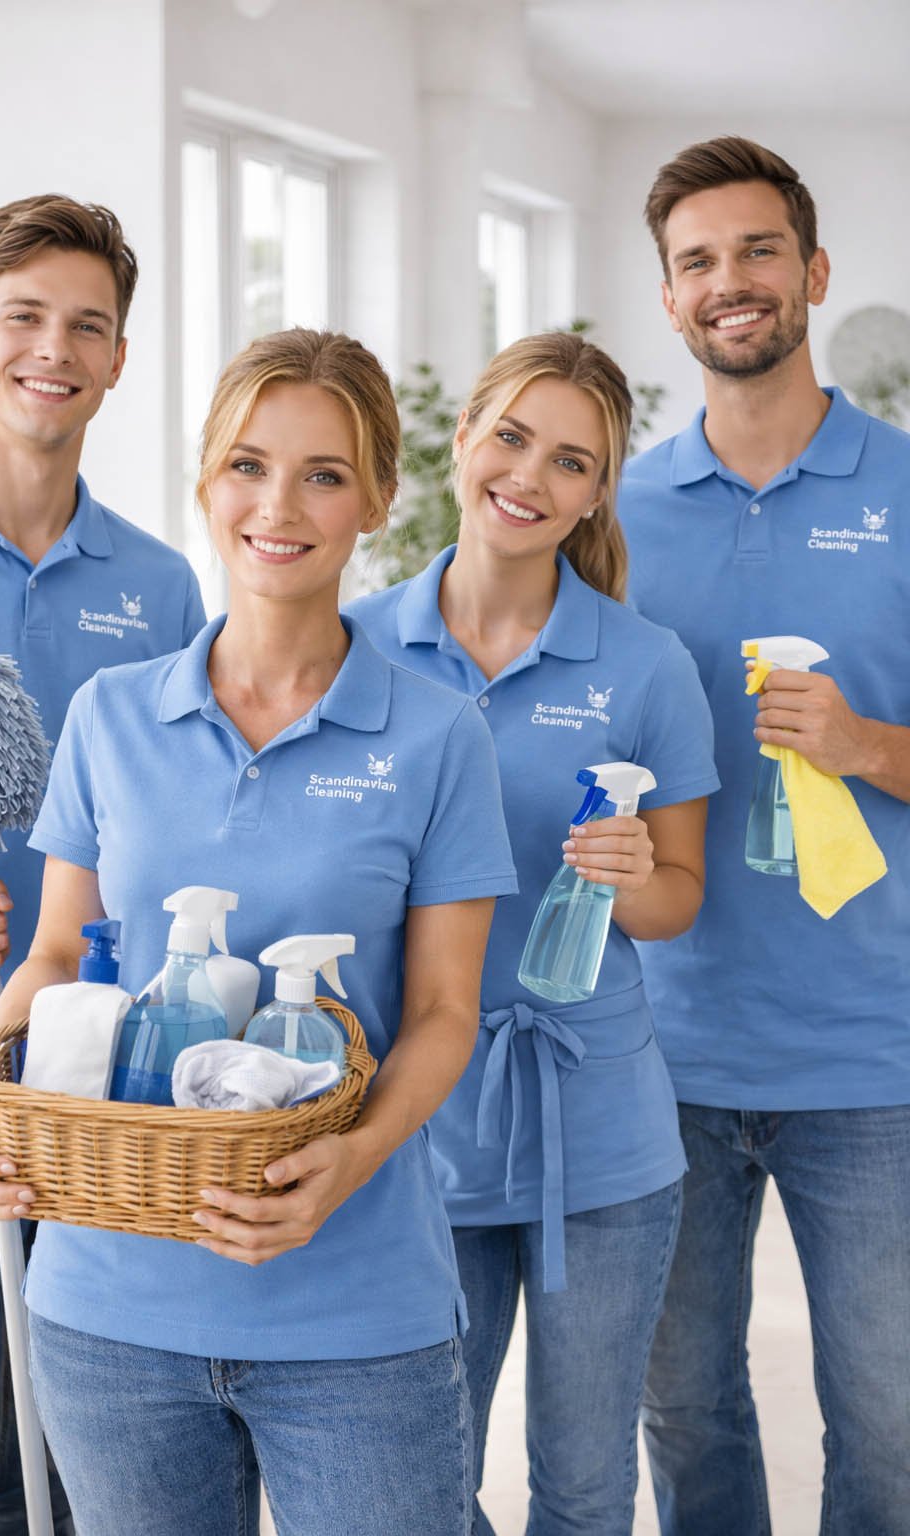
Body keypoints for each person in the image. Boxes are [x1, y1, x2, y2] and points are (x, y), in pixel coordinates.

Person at [0, 326, 519, 1536]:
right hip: (110, 1311)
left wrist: (349, 1161)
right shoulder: (111, 715)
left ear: (377, 500)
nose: (278, 506)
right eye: (248, 466)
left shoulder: (436, 737)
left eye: (324, 474)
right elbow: (56, 955)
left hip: (354, 1310)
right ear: (207, 480)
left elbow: (441, 1013)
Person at [349, 331, 719, 1535]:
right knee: (420, 1480)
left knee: (584, 1482)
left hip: (598, 1129)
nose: (530, 477)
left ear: (599, 493)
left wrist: (632, 874)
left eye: (571, 461)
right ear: (463, 438)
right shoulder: (355, 646)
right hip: (416, 1122)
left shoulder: (646, 665)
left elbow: (679, 899)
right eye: (510, 437)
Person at [0, 195, 205, 1535]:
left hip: (96, 1109)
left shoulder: (163, 584)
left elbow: (185, 814)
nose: (53, 350)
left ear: (119, 357)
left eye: (87, 325)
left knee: (77, 1487)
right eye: (24, 317)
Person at [618, 137, 910, 1535]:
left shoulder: (903, 489)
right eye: (697, 261)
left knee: (891, 1428)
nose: (728, 280)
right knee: (684, 1410)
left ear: (814, 271)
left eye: (756, 250)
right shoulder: (612, 512)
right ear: (669, 298)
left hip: (873, 1057)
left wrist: (864, 747)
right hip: (656, 1054)